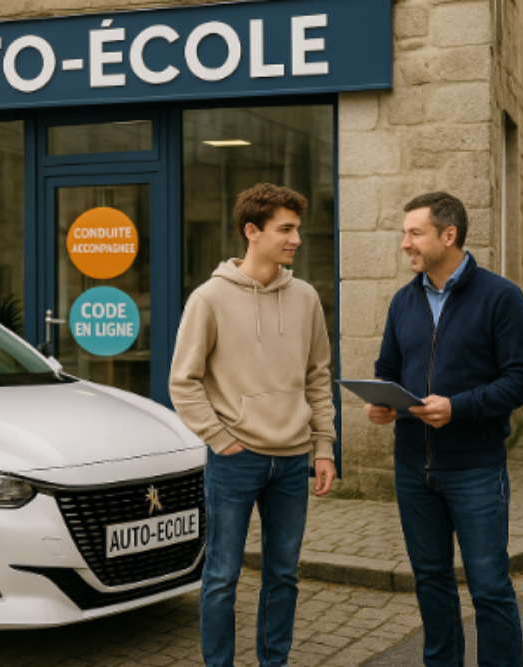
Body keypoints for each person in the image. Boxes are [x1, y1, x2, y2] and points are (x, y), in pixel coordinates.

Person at [366, 192, 523, 667]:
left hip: (475, 468)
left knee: (489, 587)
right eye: (404, 233)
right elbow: (388, 370)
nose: (405, 243)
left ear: (449, 235)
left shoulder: (501, 297)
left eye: (414, 233)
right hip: (412, 468)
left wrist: (458, 408)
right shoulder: (403, 300)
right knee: (431, 583)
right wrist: (382, 403)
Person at [170, 183, 337, 667]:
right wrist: (219, 438)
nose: (296, 240)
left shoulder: (305, 297)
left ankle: (273, 662)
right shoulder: (209, 298)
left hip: (293, 460)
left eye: (297, 229)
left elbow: (317, 376)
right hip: (235, 459)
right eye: (285, 229)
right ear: (252, 231)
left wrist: (324, 446)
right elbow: (184, 381)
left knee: (283, 575)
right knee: (222, 576)